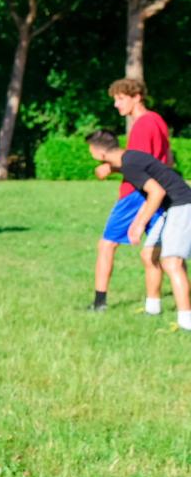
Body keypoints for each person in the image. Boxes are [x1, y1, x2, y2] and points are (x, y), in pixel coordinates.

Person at [87, 130, 191, 328]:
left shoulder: (130, 165)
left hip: (182, 205)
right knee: (149, 254)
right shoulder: (130, 159)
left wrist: (139, 223)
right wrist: (112, 169)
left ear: (99, 154)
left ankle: (187, 323)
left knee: (172, 262)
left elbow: (157, 191)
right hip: (172, 206)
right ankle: (152, 309)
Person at [90, 78, 171, 313]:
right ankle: (161, 305)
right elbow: (167, 158)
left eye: (120, 98)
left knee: (106, 245)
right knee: (164, 253)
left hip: (136, 193)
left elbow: (138, 164)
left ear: (137, 97)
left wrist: (110, 167)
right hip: (159, 191)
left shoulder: (143, 125)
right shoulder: (158, 121)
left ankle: (99, 304)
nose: (116, 104)